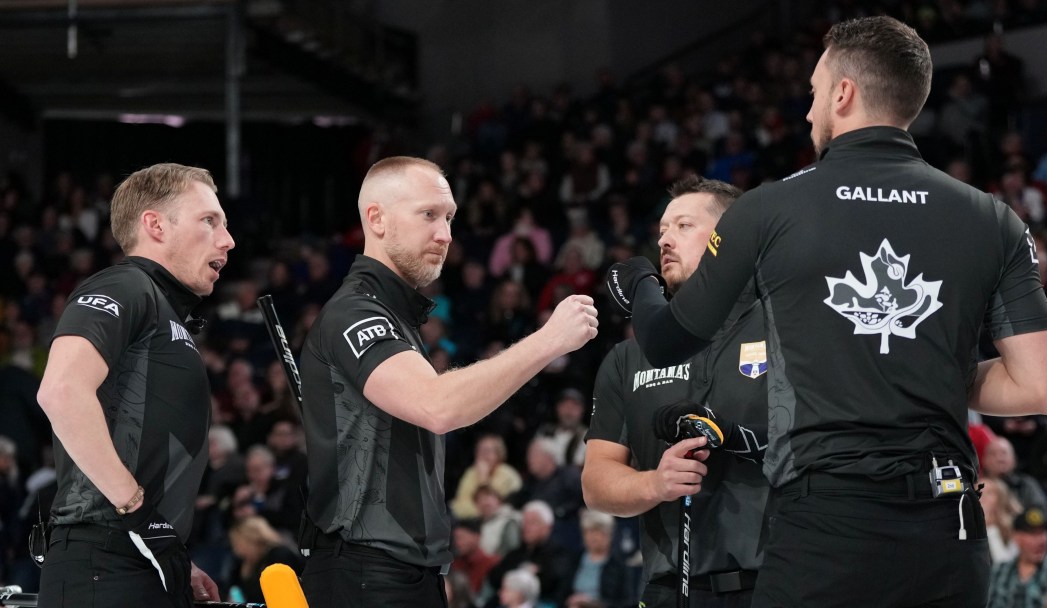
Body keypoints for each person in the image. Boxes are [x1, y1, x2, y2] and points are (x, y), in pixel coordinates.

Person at [605, 16, 1047, 608]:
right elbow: (1042, 387)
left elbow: (667, 339)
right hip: (947, 528)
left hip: (825, 526)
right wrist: (924, 368)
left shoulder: (769, 209)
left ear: (844, 93)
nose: (808, 110)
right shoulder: (991, 218)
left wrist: (640, 279)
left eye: (815, 92)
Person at [298, 156, 598, 608]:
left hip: (399, 572)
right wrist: (549, 340)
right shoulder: (355, 312)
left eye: (450, 217)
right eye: (429, 214)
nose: (445, 235)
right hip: (366, 573)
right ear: (376, 219)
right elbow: (438, 406)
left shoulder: (394, 317)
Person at [36, 163, 235, 607]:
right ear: (155, 225)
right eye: (209, 220)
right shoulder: (125, 283)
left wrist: (175, 556)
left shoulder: (164, 311)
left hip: (136, 558)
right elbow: (61, 391)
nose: (228, 239)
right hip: (104, 560)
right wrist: (140, 516)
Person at [585, 176, 769, 608]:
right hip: (670, 590)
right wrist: (655, 483)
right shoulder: (628, 357)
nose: (665, 240)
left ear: (732, 238)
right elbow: (596, 483)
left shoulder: (786, 327)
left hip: (778, 581)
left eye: (683, 226)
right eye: (662, 230)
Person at [987, 507, 1047, 608]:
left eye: (1042, 533)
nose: (1040, 541)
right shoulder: (1000, 570)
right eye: (1033, 535)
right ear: (1016, 537)